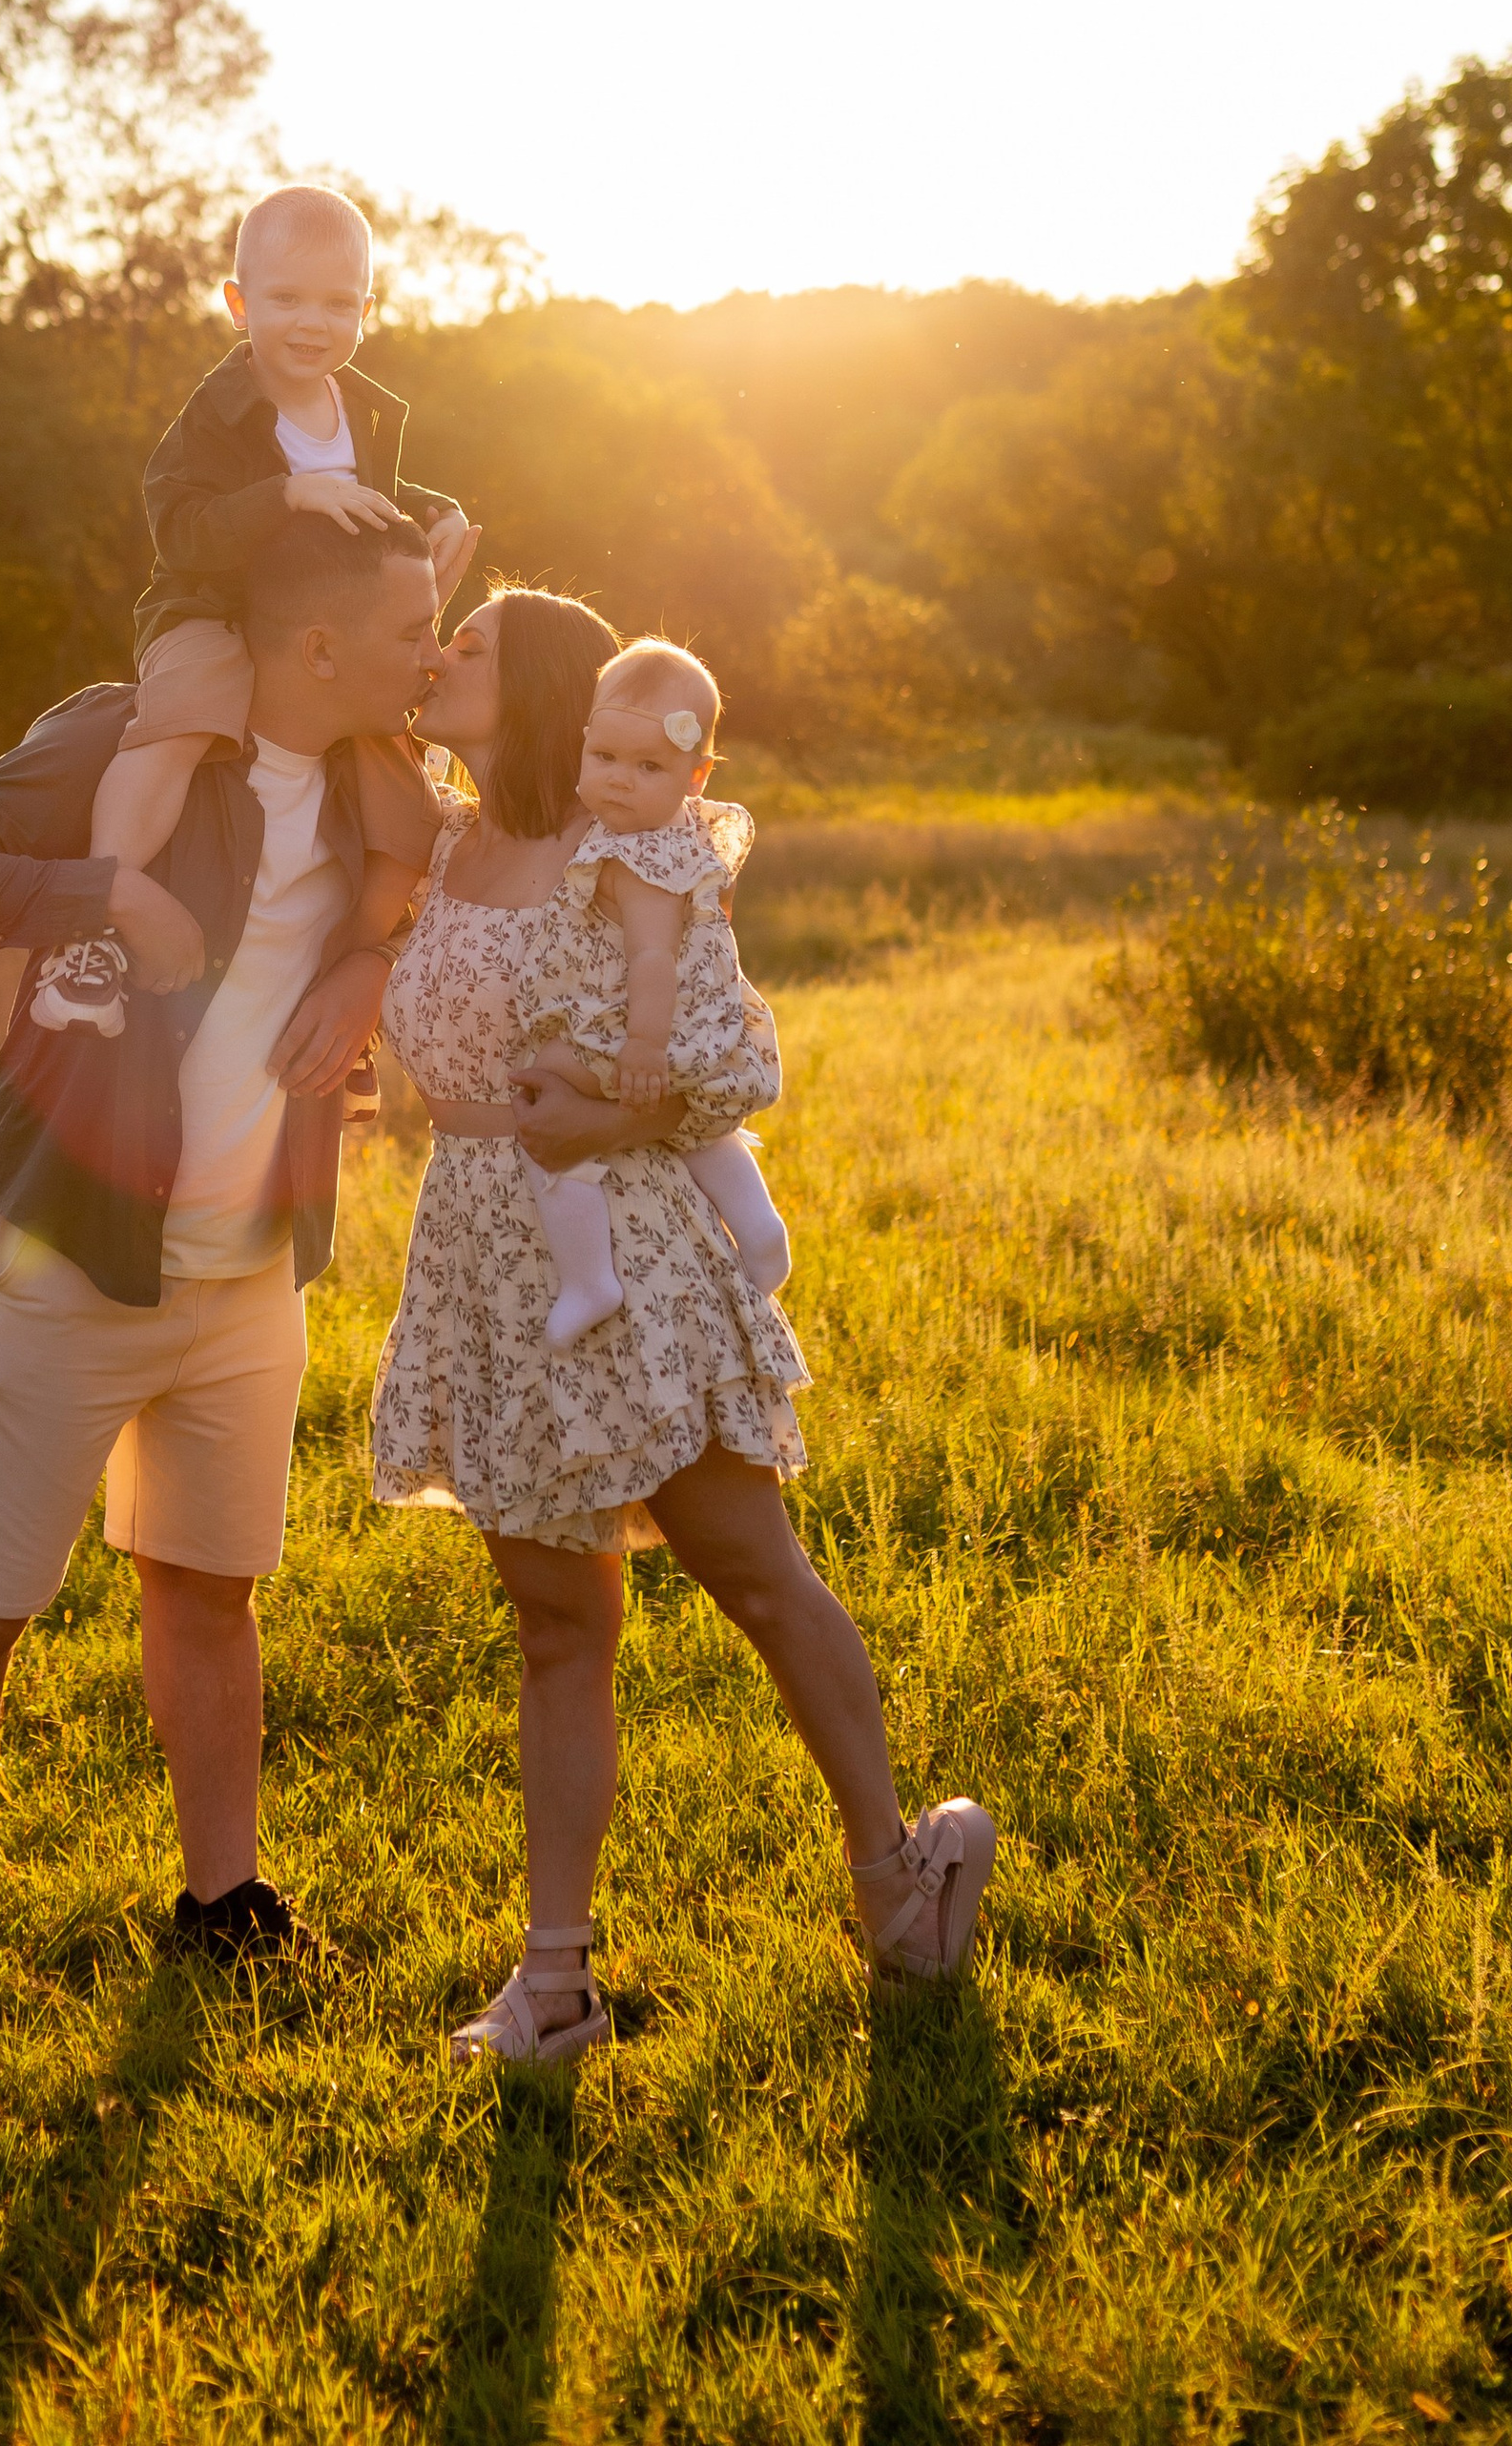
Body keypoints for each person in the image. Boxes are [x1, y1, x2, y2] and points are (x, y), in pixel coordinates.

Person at [369, 587, 997, 2062]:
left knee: (749, 1568)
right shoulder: (444, 838)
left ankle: (902, 1883)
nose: (435, 663)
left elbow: (727, 1061)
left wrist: (597, 1112)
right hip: (479, 1250)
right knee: (554, 1625)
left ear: (529, 684)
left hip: (625, 1254)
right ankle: (557, 1985)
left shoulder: (631, 851)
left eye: (463, 650)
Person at [0, 508, 446, 2011]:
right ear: (317, 646)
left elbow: (429, 899)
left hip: (250, 1270)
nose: (433, 652)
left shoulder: (377, 782)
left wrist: (371, 970)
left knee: (210, 1587)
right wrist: (101, 893)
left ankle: (223, 1903)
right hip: (72, 1253)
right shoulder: (124, 733)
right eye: (408, 630)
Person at [31, 183, 477, 1040]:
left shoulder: (366, 411)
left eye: (338, 303)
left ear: (366, 311)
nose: (313, 322)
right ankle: (91, 932)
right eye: (286, 300)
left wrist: (433, 509)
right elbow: (181, 527)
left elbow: (366, 497)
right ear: (239, 304)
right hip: (215, 611)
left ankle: (350, 982)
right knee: (181, 724)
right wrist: (283, 496)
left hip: (320, 627)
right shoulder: (218, 413)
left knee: (401, 792)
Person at [513, 632, 794, 1347]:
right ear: (582, 744)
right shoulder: (682, 833)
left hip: (642, 1026)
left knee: (543, 1082)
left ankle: (588, 1276)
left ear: (695, 776)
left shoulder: (632, 854)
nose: (618, 780)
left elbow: (650, 959)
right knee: (701, 1126)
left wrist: (641, 1046)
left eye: (647, 766)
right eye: (603, 758)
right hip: (694, 1028)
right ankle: (759, 1230)